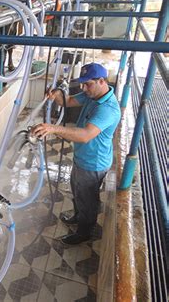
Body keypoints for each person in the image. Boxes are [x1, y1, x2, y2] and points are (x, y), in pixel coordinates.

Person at [32, 63, 121, 245]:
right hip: (82, 158)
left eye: (87, 84)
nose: (84, 88)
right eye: (82, 84)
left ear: (102, 81)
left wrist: (52, 128)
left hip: (93, 162)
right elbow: (69, 100)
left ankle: (84, 232)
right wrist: (57, 94)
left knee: (88, 199)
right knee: (78, 191)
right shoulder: (92, 95)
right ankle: (78, 216)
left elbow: (85, 135)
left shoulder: (107, 109)